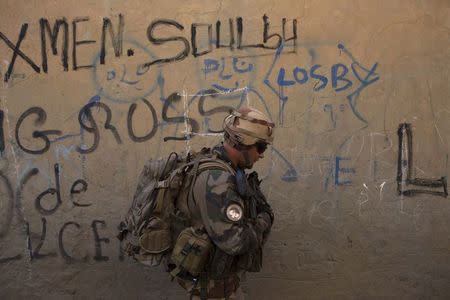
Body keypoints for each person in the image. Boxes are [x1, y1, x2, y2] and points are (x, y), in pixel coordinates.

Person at [174, 106, 275, 299]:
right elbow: (235, 242)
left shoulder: (225, 168)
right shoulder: (218, 181)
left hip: (219, 285)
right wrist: (264, 219)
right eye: (260, 147)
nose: (261, 154)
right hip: (212, 290)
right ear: (243, 142)